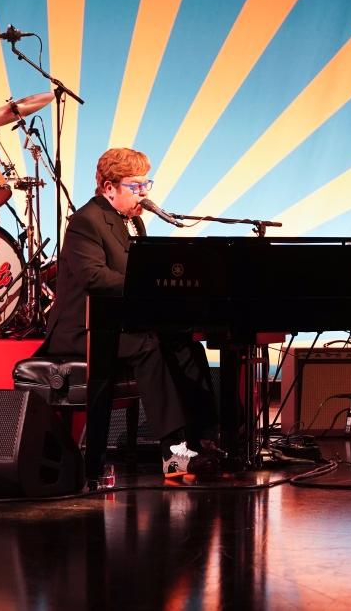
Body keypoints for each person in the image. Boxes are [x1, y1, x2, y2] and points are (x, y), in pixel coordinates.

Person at [38, 148, 220, 478]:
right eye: (136, 186)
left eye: (146, 184)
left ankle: (204, 439)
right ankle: (175, 456)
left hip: (117, 325)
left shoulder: (134, 221)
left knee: (186, 344)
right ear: (109, 187)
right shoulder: (85, 222)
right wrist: (148, 286)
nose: (144, 193)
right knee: (148, 346)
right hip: (81, 330)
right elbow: (95, 277)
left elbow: (141, 271)